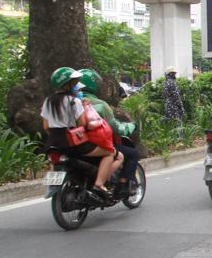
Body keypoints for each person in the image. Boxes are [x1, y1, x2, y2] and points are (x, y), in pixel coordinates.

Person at [41, 67, 120, 195]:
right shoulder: (74, 101)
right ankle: (99, 184)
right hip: (72, 143)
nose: (76, 84)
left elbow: (45, 126)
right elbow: (82, 124)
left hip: (52, 143)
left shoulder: (47, 102)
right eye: (74, 82)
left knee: (54, 159)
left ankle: (52, 186)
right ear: (68, 84)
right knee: (110, 152)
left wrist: (56, 135)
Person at [78, 68, 139, 198]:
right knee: (132, 154)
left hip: (72, 145)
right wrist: (131, 126)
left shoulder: (68, 103)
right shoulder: (100, 105)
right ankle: (122, 185)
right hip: (95, 144)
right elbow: (116, 128)